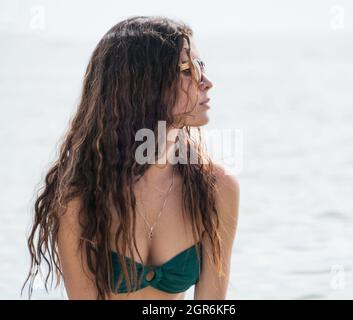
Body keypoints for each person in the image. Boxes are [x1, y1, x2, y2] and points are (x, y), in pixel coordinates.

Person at [22, 16, 239, 300]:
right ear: (143, 86)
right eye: (187, 70)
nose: (206, 82)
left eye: (201, 67)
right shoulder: (81, 200)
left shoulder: (216, 189)